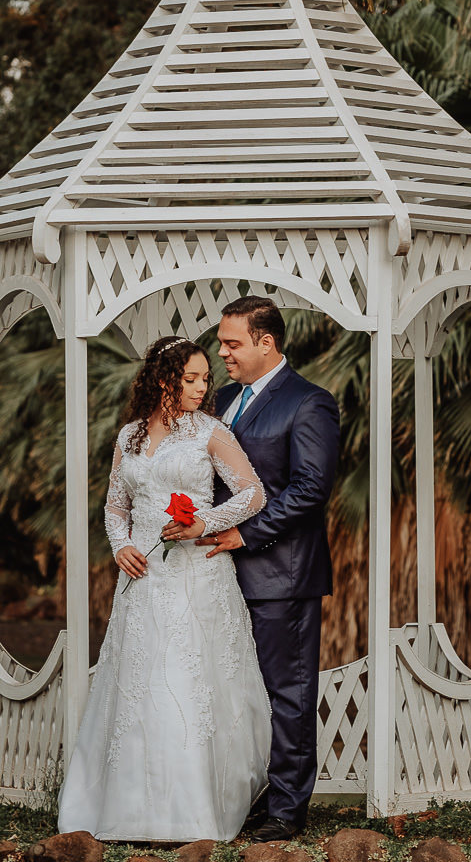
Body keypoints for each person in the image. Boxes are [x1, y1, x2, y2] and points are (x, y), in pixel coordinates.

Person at [57, 337, 272, 843]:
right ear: (163, 379)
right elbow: (116, 507)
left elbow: (254, 493)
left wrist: (204, 523)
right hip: (143, 579)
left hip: (197, 577)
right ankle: (128, 807)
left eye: (205, 378)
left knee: (185, 681)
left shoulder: (211, 433)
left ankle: (192, 810)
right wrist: (120, 546)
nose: (202, 387)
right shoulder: (130, 436)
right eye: (191, 378)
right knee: (139, 682)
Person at [200, 295, 340, 842]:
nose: (223, 353)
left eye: (233, 344)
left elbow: (310, 489)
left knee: (289, 691)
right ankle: (254, 796)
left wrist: (245, 533)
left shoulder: (310, 403)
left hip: (282, 574)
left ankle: (287, 809)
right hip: (221, 574)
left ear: (267, 342)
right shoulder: (223, 399)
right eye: (221, 343)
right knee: (239, 692)